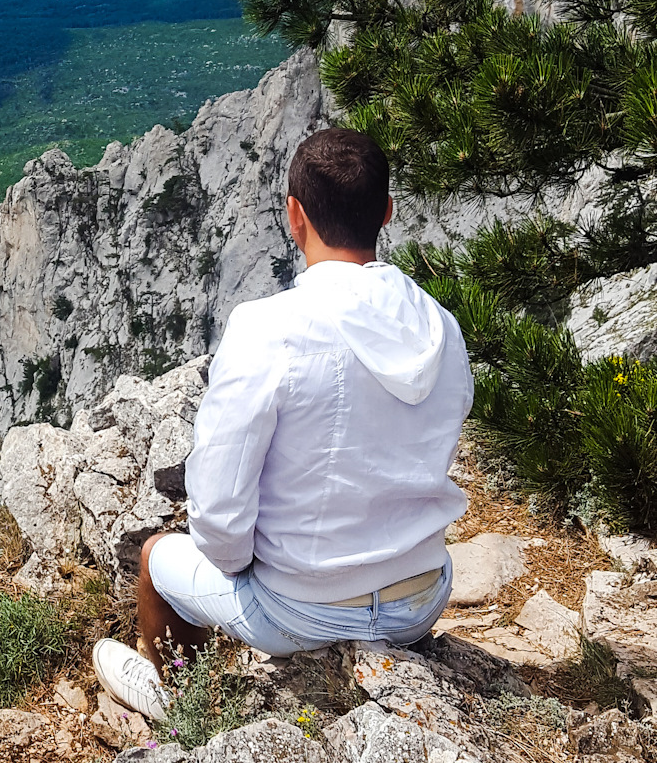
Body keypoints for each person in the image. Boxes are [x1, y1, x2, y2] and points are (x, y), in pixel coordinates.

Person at [92, 126, 473, 722]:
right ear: (388, 213)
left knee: (156, 560)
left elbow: (217, 516)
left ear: (295, 216)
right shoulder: (442, 328)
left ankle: (182, 708)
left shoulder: (267, 329)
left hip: (304, 608)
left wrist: (254, 565)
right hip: (423, 594)